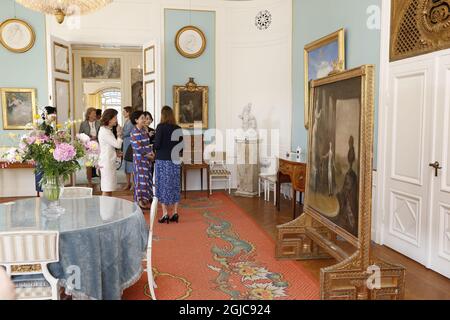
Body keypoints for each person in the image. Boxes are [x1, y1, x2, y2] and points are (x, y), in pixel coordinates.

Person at [154, 106, 183, 224]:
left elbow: (157, 145)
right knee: (175, 185)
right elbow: (182, 147)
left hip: (162, 160)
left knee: (162, 185)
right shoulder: (178, 128)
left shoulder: (160, 127)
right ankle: (175, 213)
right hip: (175, 160)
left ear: (163, 115)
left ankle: (165, 213)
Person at [130, 111, 154, 209]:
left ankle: (143, 201)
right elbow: (137, 147)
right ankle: (138, 202)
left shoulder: (144, 130)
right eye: (142, 118)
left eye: (145, 118)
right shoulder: (134, 131)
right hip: (140, 160)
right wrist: (148, 155)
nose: (144, 120)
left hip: (147, 159)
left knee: (146, 180)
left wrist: (151, 152)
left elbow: (147, 144)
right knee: (140, 181)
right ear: (136, 120)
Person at [98, 109, 123, 196]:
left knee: (110, 187)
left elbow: (109, 146)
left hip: (109, 160)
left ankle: (109, 207)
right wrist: (119, 134)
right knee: (107, 187)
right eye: (115, 117)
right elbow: (118, 145)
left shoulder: (107, 130)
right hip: (106, 162)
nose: (116, 120)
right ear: (109, 119)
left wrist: (115, 152)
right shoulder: (105, 131)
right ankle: (105, 208)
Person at [35, 106, 57, 194]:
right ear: (47, 114)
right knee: (42, 177)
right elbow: (39, 140)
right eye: (54, 113)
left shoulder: (50, 127)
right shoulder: (42, 126)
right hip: (43, 155)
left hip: (49, 154)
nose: (55, 115)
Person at [79, 107, 100, 187]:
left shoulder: (99, 123)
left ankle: (103, 181)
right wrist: (88, 138)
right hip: (88, 146)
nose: (95, 115)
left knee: (100, 164)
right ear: (89, 114)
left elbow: (102, 133)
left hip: (98, 145)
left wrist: (96, 137)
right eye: (93, 113)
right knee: (89, 165)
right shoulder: (83, 124)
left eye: (95, 113)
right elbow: (81, 134)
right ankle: (89, 182)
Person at [122, 106, 134, 190]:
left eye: (124, 112)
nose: (123, 113)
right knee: (126, 164)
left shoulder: (130, 122)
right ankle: (128, 183)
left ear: (129, 112)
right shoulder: (127, 121)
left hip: (129, 144)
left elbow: (126, 133)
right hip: (125, 144)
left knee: (130, 164)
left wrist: (119, 132)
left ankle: (132, 184)